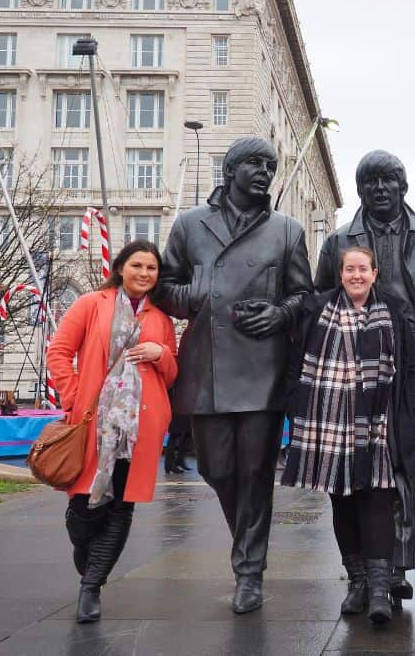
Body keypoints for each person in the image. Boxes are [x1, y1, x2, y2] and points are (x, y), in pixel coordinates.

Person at [155, 136, 313, 614]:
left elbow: (304, 296)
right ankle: (246, 545)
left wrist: (280, 315)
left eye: (271, 164)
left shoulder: (287, 230)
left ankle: (249, 570)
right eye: (254, 164)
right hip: (208, 366)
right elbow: (163, 285)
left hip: (263, 368)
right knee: (218, 469)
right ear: (230, 171)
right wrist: (195, 296)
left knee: (257, 471)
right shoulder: (189, 225)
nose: (265, 171)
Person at [315, 150, 415, 602]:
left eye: (388, 181)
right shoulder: (338, 242)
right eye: (370, 181)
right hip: (350, 375)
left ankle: (395, 567)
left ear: (403, 187)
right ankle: (359, 573)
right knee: (349, 475)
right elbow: (318, 300)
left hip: (409, 374)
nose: (379, 188)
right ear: (360, 190)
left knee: (402, 471)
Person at [282, 247, 415, 625]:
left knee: (377, 498)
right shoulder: (317, 308)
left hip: (378, 420)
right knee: (341, 500)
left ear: (375, 273)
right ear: (340, 273)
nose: (356, 275)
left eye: (363, 269)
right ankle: (358, 582)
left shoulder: (393, 310)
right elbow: (294, 357)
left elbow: (412, 364)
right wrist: (295, 403)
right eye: (350, 269)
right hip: (327, 418)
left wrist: (408, 414)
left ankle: (380, 588)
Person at [47, 240, 179, 623]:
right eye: (137, 265)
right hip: (94, 422)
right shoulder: (92, 303)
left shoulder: (161, 317)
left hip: (140, 428)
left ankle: (91, 587)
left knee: (121, 506)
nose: (144, 273)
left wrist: (162, 354)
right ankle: (85, 548)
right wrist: (73, 398)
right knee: (85, 506)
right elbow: (58, 351)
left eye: (151, 268)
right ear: (121, 267)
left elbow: (172, 374)